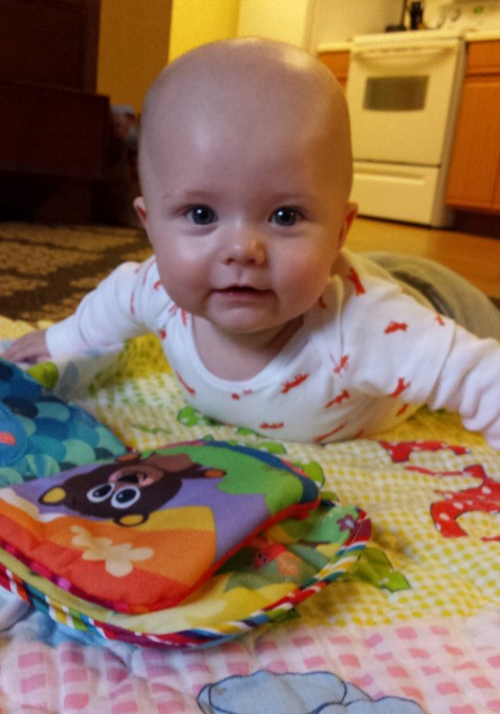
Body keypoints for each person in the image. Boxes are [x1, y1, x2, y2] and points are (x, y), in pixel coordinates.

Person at [4, 38, 500, 446]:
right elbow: (111, 305)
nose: (243, 249)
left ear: (340, 230)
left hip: (438, 297)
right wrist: (59, 340)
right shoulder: (155, 290)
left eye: (285, 216)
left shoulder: (368, 329)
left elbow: (484, 379)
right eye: (202, 214)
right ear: (148, 225)